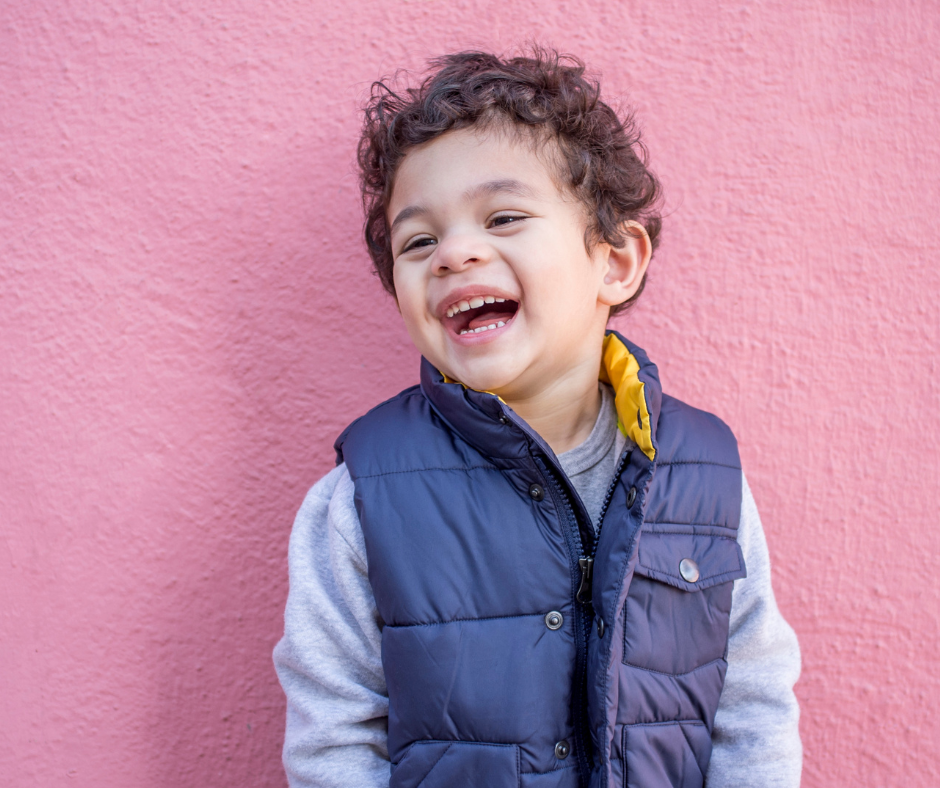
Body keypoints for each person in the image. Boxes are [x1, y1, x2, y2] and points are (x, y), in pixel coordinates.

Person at [273, 49, 802, 788]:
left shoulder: (704, 477)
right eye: (418, 240)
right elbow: (335, 739)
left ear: (615, 263)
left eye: (504, 216)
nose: (455, 253)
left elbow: (751, 712)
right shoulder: (358, 500)